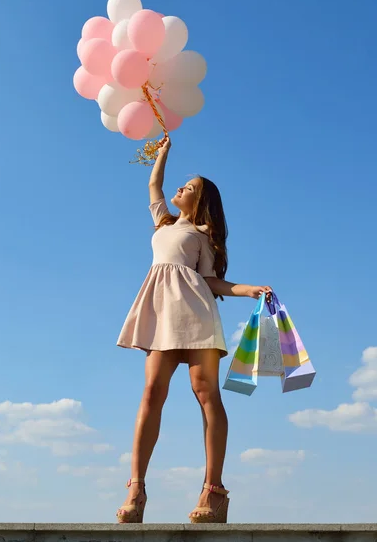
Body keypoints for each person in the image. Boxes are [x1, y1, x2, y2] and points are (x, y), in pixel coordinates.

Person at [115, 138, 271, 524]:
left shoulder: (203, 236)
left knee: (206, 394)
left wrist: (248, 289)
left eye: (191, 187)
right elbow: (154, 187)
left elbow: (212, 282)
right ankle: (136, 487)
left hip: (196, 314)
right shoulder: (164, 223)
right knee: (152, 392)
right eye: (182, 184)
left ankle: (213, 491)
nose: (181, 188)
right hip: (162, 313)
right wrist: (163, 153)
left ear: (201, 201)